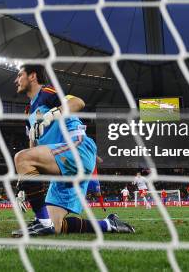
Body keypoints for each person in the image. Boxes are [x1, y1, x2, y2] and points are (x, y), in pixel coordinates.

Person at [11, 65, 134, 237]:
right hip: (63, 161)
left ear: (32, 76)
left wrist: (51, 115)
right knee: (56, 225)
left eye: (19, 75)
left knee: (21, 157)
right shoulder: (28, 112)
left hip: (76, 149)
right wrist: (24, 184)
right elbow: (33, 147)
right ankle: (108, 224)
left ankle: (42, 223)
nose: (16, 80)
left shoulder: (47, 93)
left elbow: (78, 102)